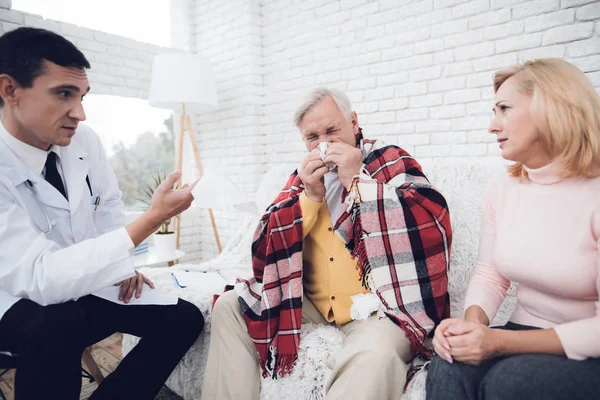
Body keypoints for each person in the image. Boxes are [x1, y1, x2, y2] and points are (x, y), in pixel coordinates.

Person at [202, 87, 452, 399]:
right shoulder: (301, 179)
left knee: (376, 352)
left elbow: (430, 218)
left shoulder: (388, 160)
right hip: (313, 304)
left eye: (332, 131)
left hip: (378, 308)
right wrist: (310, 198)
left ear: (354, 122)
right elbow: (263, 248)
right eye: (312, 136)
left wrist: (357, 183)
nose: (324, 144)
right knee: (230, 306)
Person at [0, 27, 204, 399]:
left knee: (183, 318)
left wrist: (119, 266)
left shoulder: (84, 142)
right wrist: (150, 220)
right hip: (15, 300)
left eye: (81, 96)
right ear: (10, 90)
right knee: (58, 323)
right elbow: (40, 277)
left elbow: (107, 206)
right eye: (64, 94)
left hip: (82, 285)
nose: (79, 113)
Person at [426, 58, 600, 400]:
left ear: (553, 110)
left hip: (586, 346)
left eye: (504, 109)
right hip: (522, 330)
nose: (493, 126)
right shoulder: (503, 187)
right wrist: (473, 327)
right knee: (447, 364)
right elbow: (490, 274)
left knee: (510, 382)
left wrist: (499, 342)